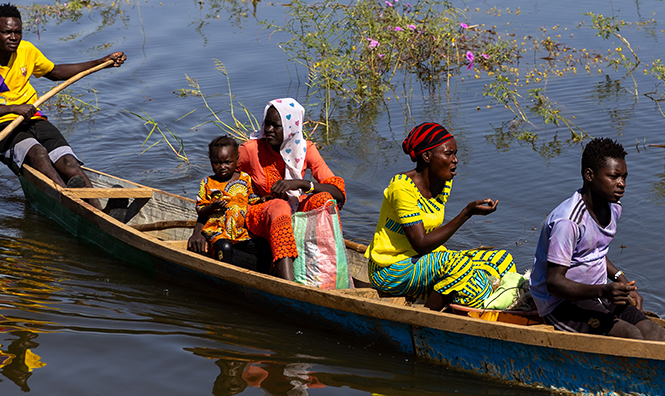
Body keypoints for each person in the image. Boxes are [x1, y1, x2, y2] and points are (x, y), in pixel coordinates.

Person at [0, 3, 125, 188]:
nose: (13, 38)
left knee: (69, 163)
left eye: (18, 32)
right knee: (38, 154)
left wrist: (99, 62)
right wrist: (13, 108)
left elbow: (54, 72)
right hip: (1, 128)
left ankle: (97, 205)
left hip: (34, 120)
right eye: (7, 32)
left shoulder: (27, 50)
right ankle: (67, 198)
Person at [530, 138, 665, 341]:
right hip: (561, 303)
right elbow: (553, 283)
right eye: (614, 177)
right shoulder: (569, 222)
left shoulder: (613, 207)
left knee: (657, 334)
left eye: (624, 177)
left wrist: (622, 283)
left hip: (597, 293)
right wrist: (605, 290)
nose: (621, 184)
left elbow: (594, 252)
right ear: (589, 175)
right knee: (631, 336)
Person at [366, 122, 515, 311]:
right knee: (459, 266)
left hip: (422, 261)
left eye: (455, 153)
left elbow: (429, 239)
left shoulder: (443, 182)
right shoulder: (402, 188)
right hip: (390, 269)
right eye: (449, 153)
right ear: (427, 156)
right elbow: (420, 243)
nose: (455, 160)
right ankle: (428, 316)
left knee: (502, 259)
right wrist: (466, 213)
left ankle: (472, 293)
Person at [237, 98, 346, 282]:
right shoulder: (251, 150)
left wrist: (302, 184)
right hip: (260, 215)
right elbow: (222, 182)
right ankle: (287, 284)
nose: (268, 130)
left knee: (324, 200)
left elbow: (338, 193)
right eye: (267, 124)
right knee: (280, 206)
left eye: (276, 126)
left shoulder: (305, 149)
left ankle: (334, 273)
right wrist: (255, 197)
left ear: (290, 128)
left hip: (295, 212)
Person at [188, 135, 256, 264]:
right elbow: (200, 210)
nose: (222, 166)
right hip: (217, 233)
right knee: (225, 248)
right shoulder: (208, 183)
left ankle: (261, 278)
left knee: (263, 248)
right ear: (211, 161)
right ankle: (225, 275)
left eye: (227, 162)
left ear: (236, 160)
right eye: (217, 163)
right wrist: (213, 206)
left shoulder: (245, 178)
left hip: (241, 233)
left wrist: (264, 199)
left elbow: (252, 199)